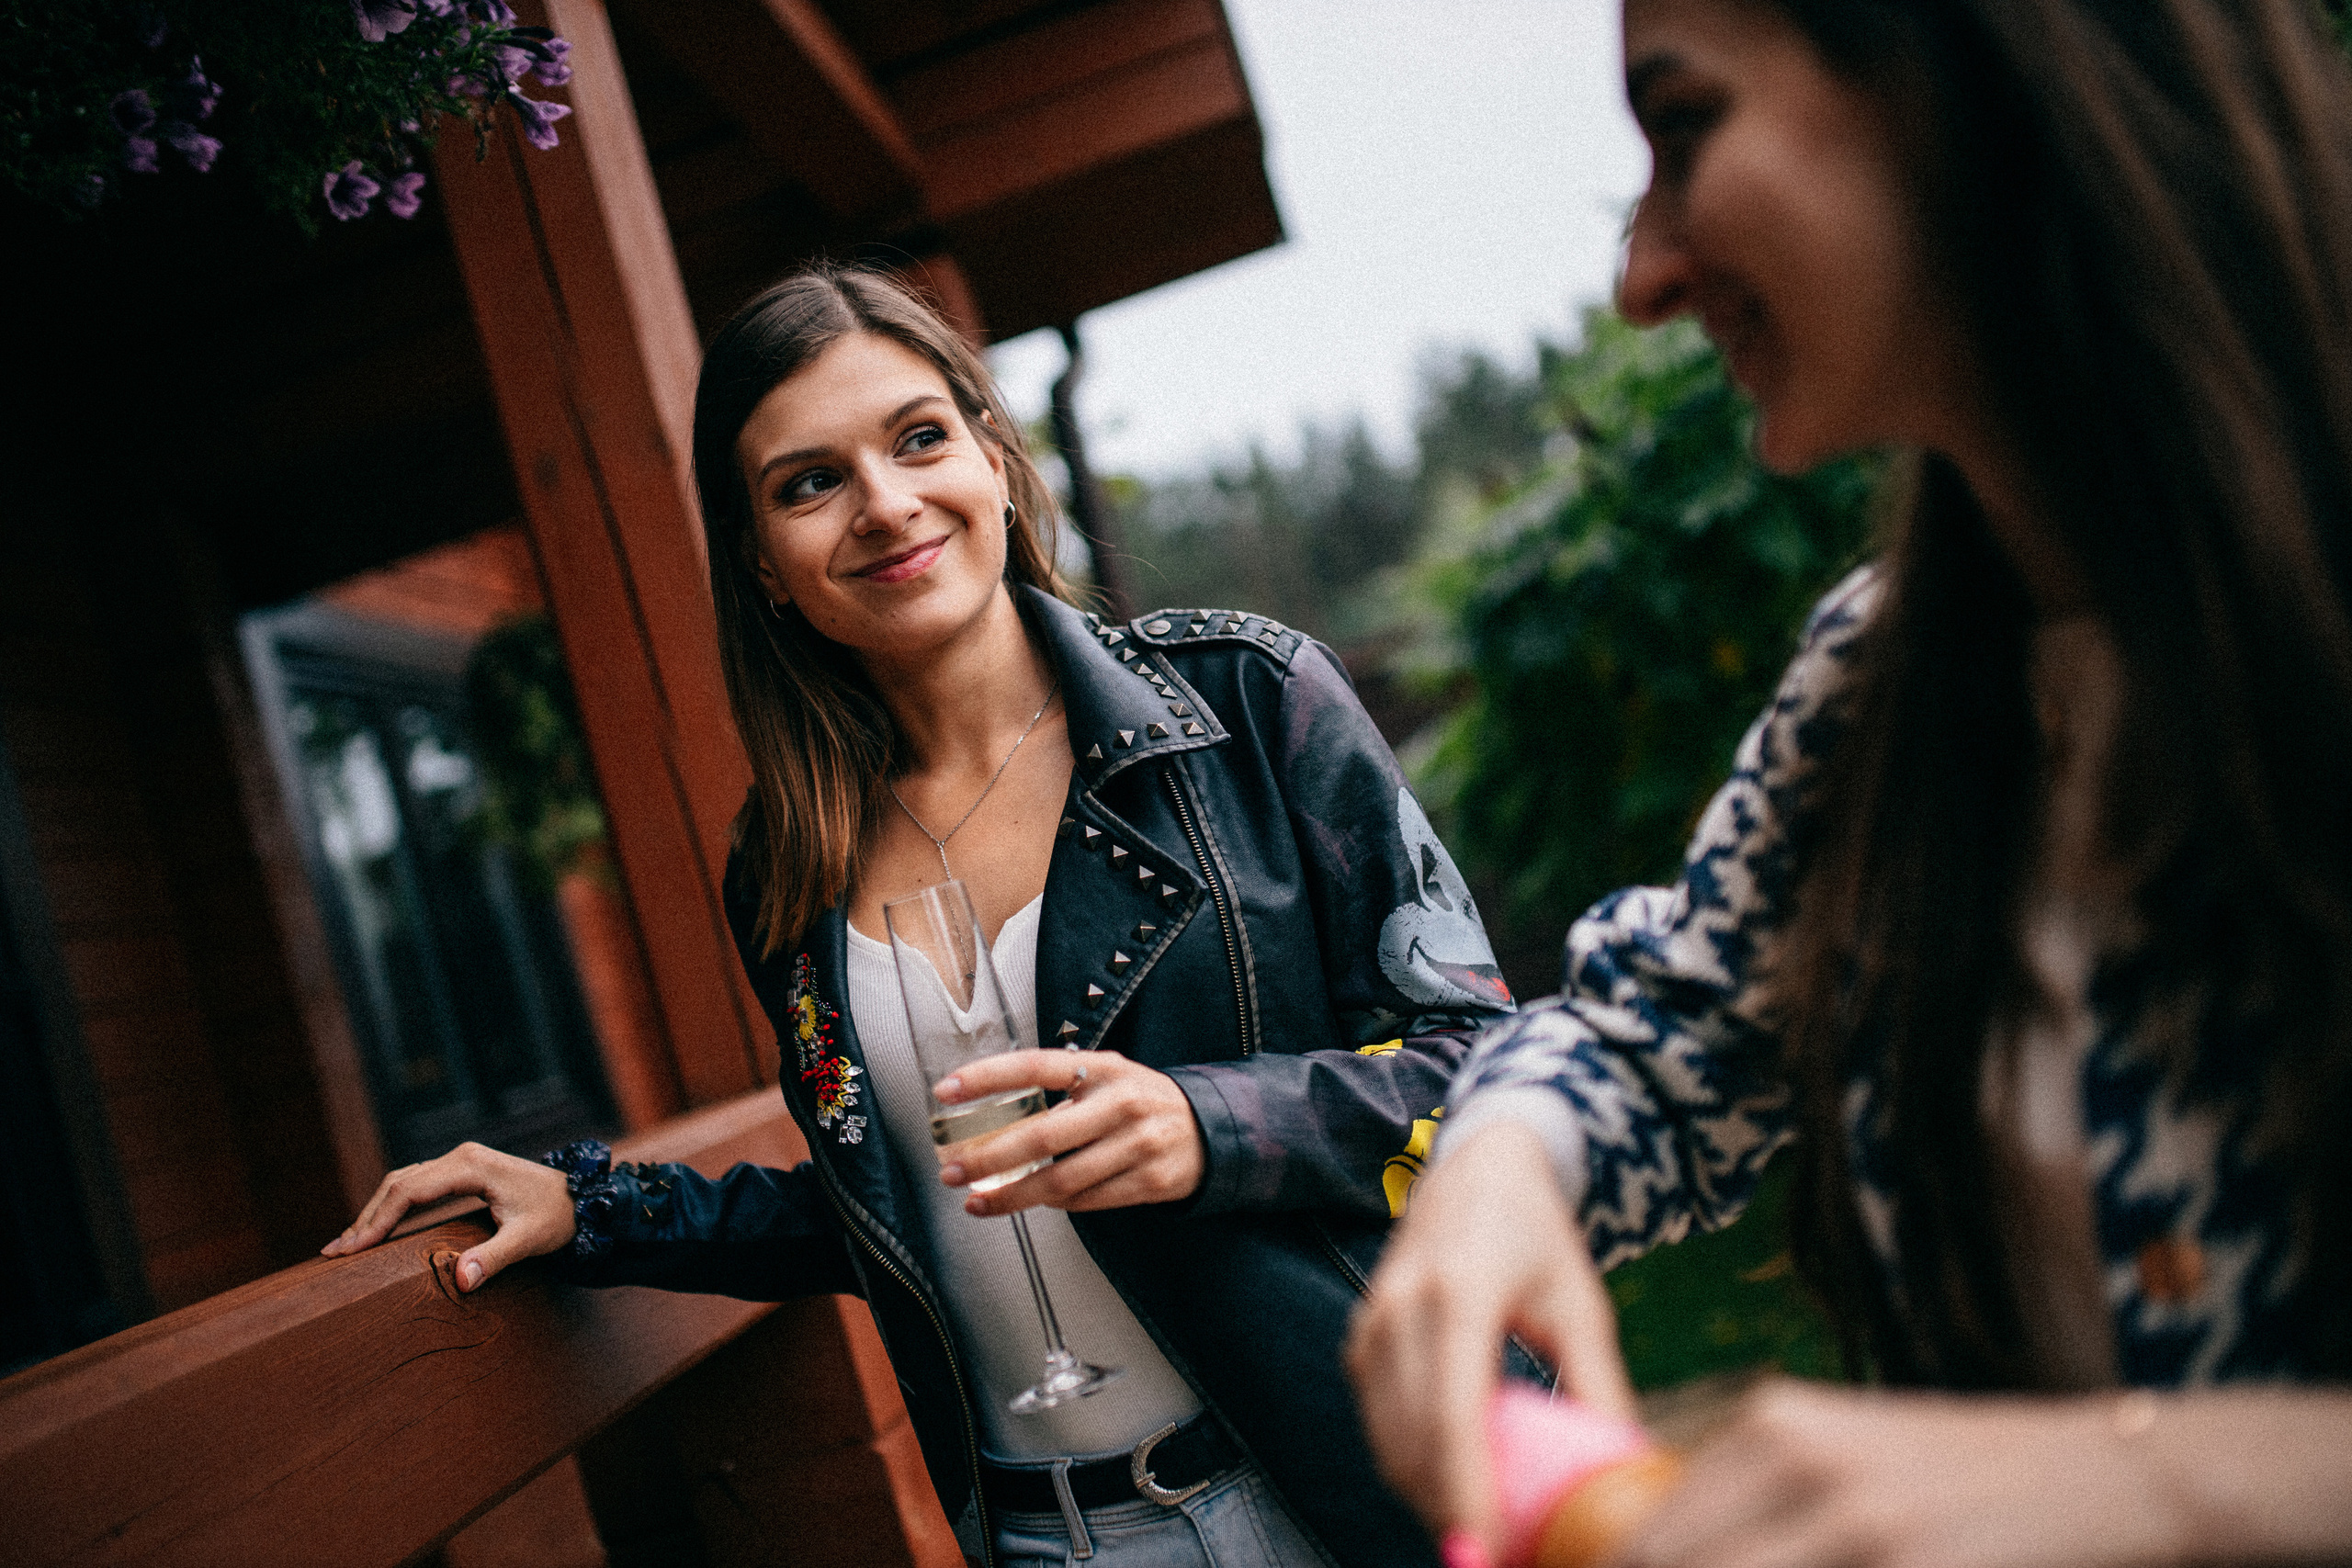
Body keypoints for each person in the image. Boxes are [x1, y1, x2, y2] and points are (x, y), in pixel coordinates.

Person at [1344, 1, 2352, 1565]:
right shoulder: (1872, 689)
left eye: (1687, 126)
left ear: (1987, 70)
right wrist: (1497, 1162)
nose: (1641, 277)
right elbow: (1663, 1040)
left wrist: (2156, 1481)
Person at [323, 263, 1517, 1568]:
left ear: (994, 457)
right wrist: (598, 1208)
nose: (885, 505)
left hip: (1351, 1489)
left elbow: (1482, 1071)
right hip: (1044, 1539)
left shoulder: (1246, 700)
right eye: (809, 483)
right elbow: (889, 1203)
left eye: (918, 439)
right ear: (763, 563)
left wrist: (1210, 1125)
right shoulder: (788, 867)